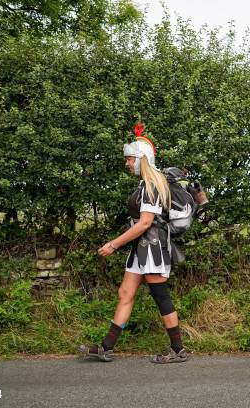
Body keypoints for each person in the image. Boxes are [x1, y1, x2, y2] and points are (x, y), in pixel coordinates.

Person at [78, 122, 188, 364]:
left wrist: (114, 244)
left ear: (142, 159)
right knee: (125, 292)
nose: (127, 163)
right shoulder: (146, 183)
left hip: (152, 247)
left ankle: (178, 350)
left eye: (130, 159)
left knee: (161, 297)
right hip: (142, 247)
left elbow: (145, 223)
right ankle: (106, 347)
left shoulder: (151, 184)